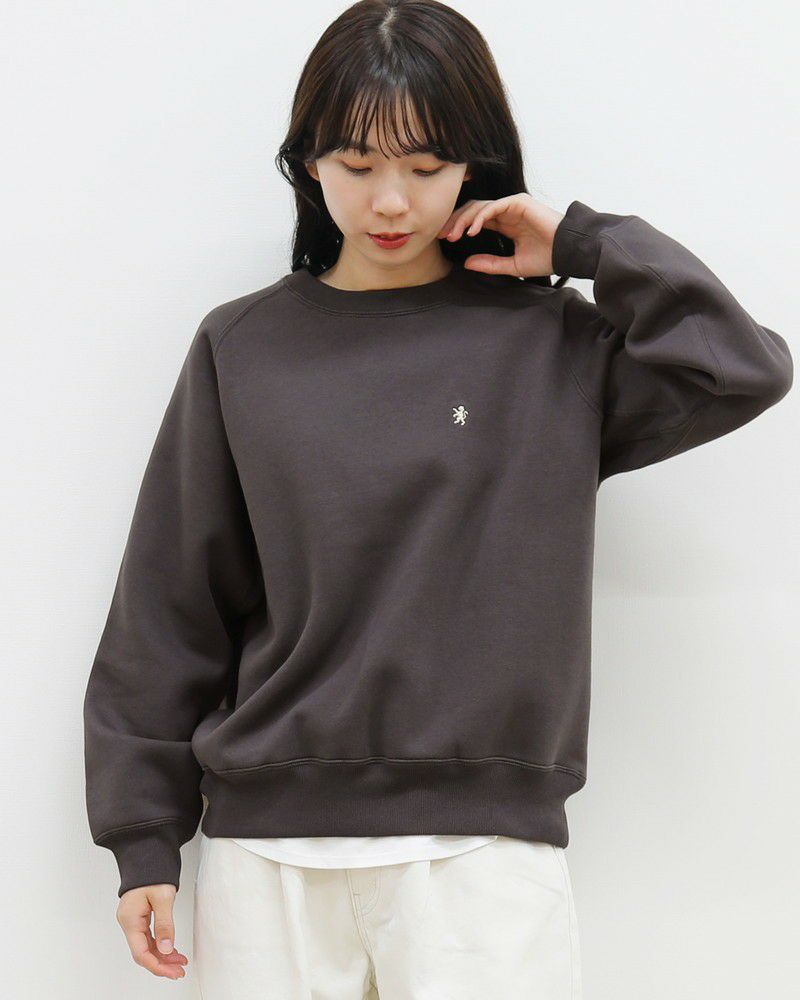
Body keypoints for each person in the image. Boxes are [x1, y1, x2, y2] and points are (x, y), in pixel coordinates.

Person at [82, 1, 793, 997]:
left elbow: (740, 368)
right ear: (307, 163)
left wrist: (586, 243)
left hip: (482, 858)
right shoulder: (243, 348)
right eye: (356, 163)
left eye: (424, 167)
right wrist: (142, 839)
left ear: (472, 166)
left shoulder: (545, 343)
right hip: (265, 855)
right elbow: (170, 603)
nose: (389, 201)